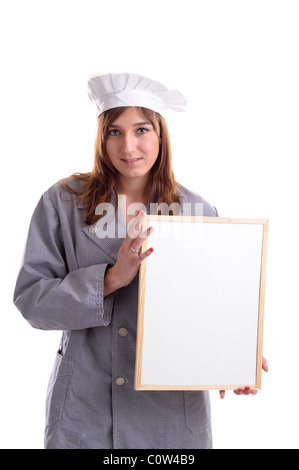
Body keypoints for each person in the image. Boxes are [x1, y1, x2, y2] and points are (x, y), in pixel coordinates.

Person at [13, 73, 267, 449]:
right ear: (101, 138)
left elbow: (215, 308)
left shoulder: (197, 211)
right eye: (115, 131)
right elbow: (33, 302)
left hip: (169, 417)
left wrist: (236, 357)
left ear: (160, 135)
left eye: (142, 129)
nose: (128, 145)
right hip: (85, 412)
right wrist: (110, 279)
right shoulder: (62, 203)